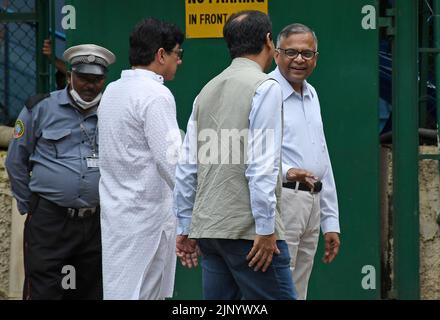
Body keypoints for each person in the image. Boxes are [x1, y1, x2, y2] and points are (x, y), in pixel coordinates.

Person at [174, 10, 296, 300]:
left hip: (210, 230)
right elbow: (261, 165)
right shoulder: (266, 87)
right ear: (269, 40)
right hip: (249, 233)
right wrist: (266, 230)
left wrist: (185, 225)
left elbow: (187, 166)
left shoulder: (206, 90)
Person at [5, 44, 115, 299]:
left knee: (93, 291)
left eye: (97, 80)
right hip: (50, 219)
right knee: (43, 290)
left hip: (97, 221)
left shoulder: (113, 111)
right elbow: (16, 160)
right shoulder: (41, 108)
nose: (90, 86)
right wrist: (30, 204)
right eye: (84, 78)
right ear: (69, 76)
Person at [98, 18, 184, 300]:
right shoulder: (156, 94)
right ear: (161, 55)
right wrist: (194, 211)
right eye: (177, 54)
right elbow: (171, 162)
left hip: (118, 216)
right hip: (148, 220)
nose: (179, 62)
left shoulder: (111, 90)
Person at [269, 23, 341, 300]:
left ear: (316, 58)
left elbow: (322, 157)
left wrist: (330, 221)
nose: (299, 59)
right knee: (278, 287)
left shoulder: (312, 94)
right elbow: (252, 154)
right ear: (277, 54)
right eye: (291, 52)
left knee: (299, 289)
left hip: (312, 203)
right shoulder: (268, 92)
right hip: (283, 200)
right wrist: (288, 172)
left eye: (307, 53)